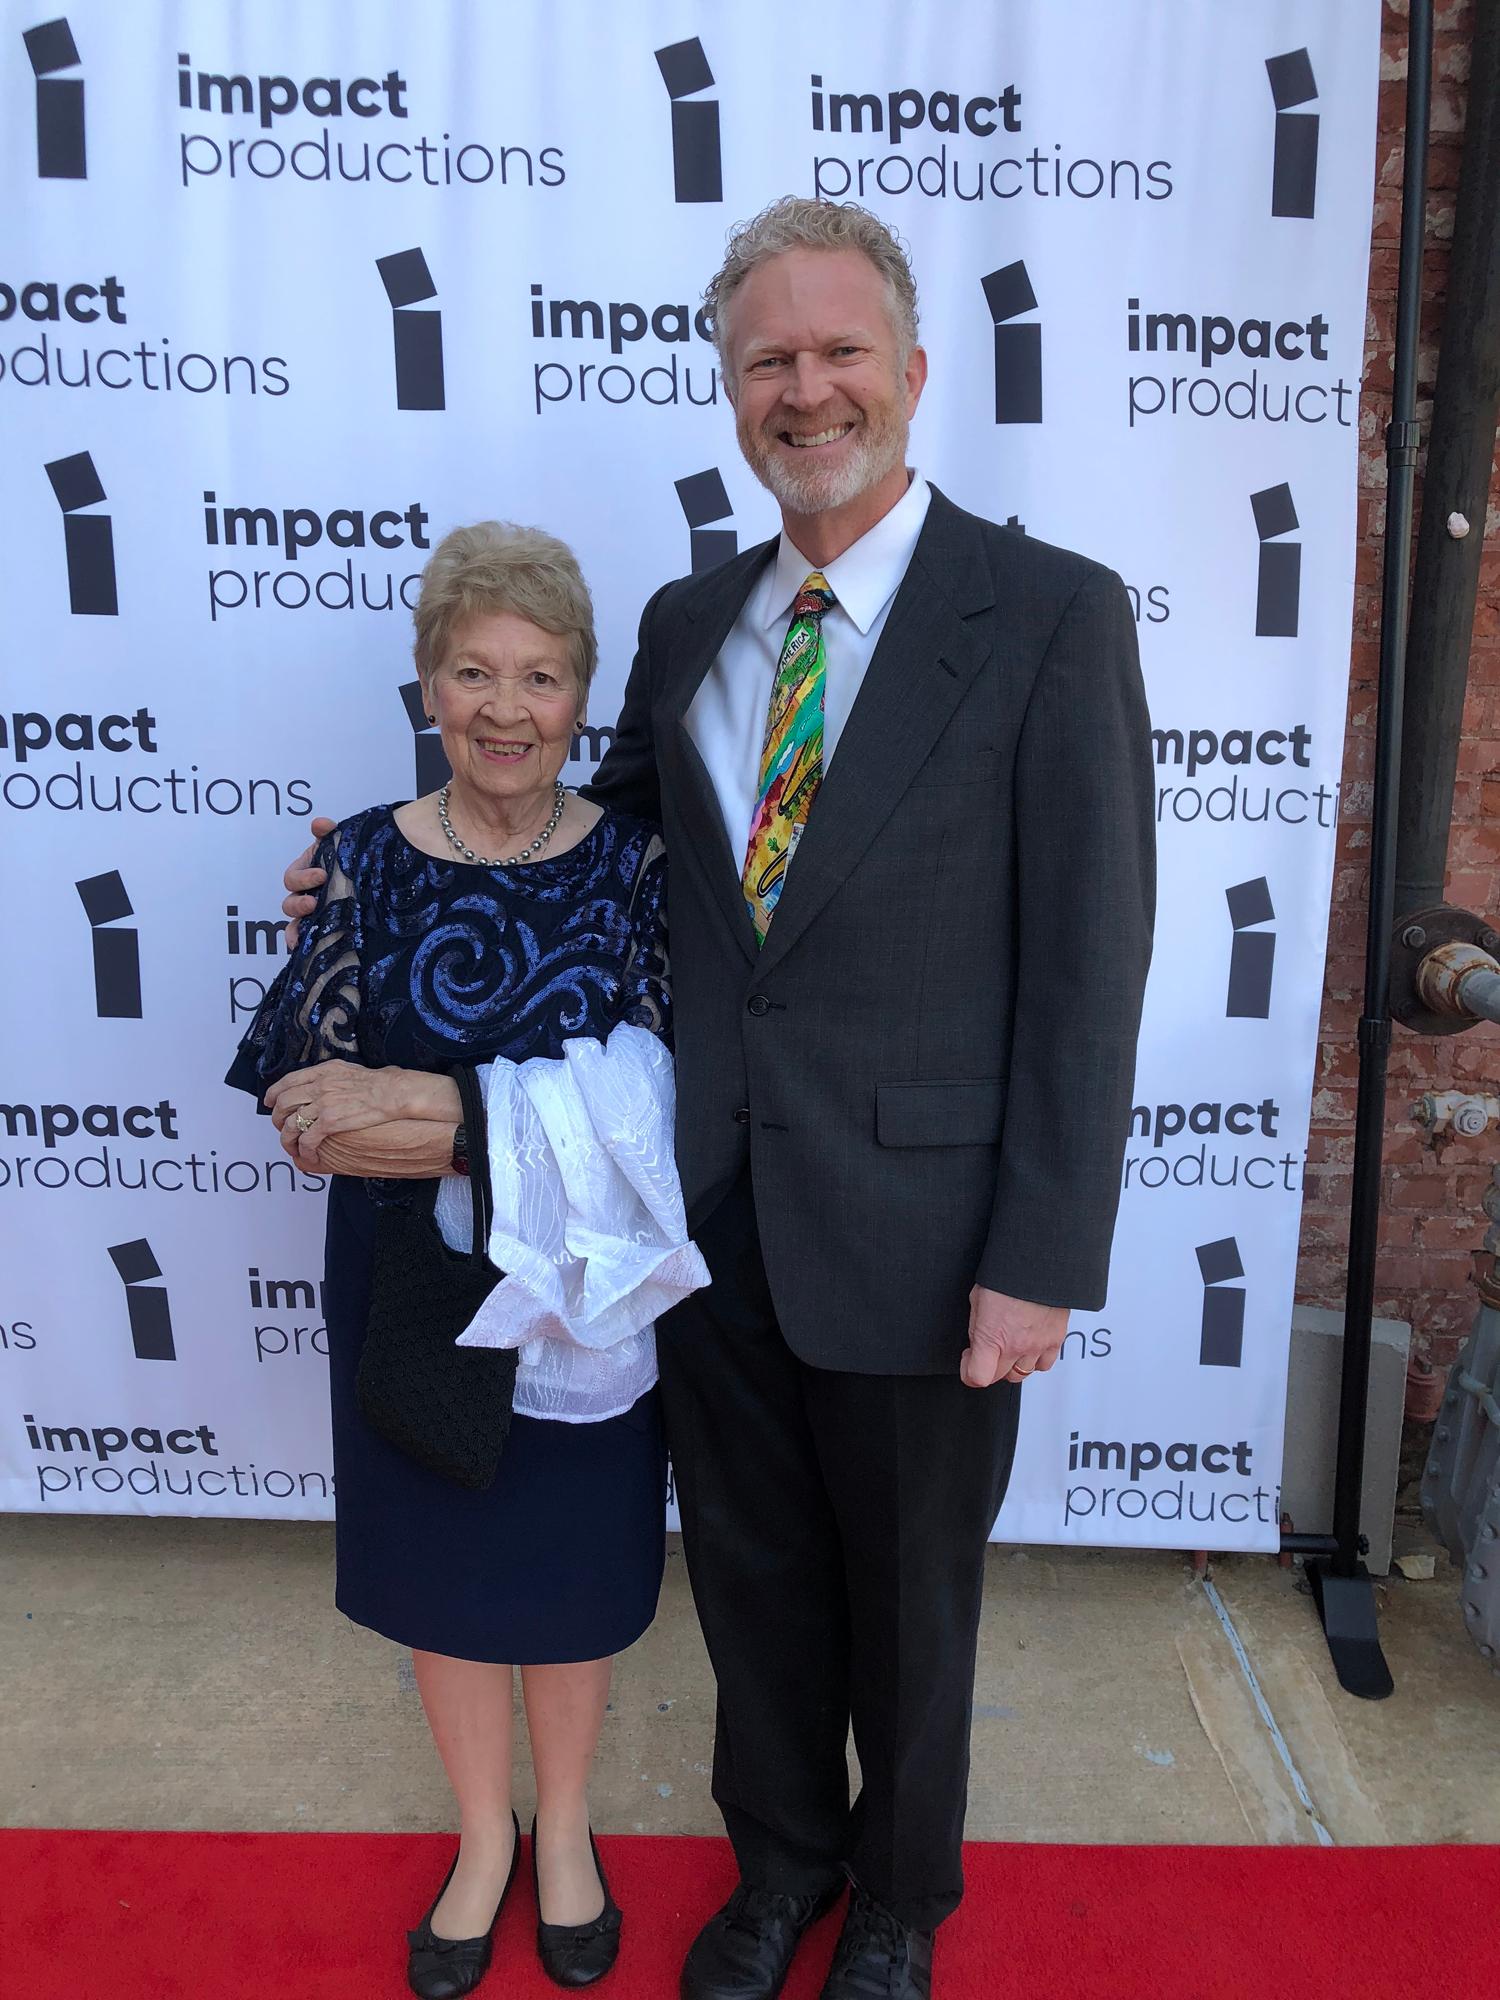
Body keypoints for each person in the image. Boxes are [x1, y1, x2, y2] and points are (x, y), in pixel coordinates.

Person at [285, 199, 1155, 2000]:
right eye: (770, 359)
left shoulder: (1051, 616)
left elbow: (1090, 962)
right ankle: (780, 1872)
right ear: (732, 393)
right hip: (708, 1215)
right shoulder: (694, 620)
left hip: (930, 1232)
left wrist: (1042, 1254)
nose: (807, 388)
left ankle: (903, 1906)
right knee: (755, 1587)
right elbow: (560, 819)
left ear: (913, 374)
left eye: (841, 352)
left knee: (913, 1610)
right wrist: (371, 869)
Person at [235, 521, 684, 1998]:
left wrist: (452, 1127)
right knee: (441, 1574)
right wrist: (359, 1118)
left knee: (564, 1574)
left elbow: (676, 1094)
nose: (508, 708)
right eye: (475, 671)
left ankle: (567, 1831)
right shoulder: (357, 857)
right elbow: (307, 1094)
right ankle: (481, 1835)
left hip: (581, 1295)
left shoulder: (634, 867)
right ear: (428, 686)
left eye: (542, 677)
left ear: (583, 698)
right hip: (409, 1291)